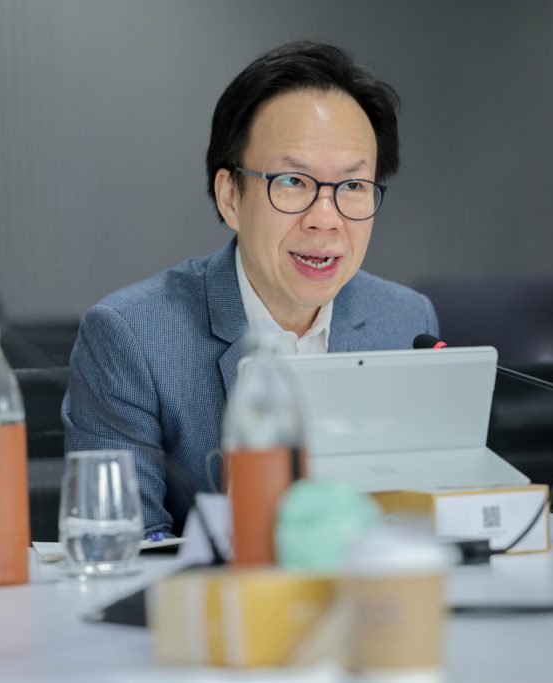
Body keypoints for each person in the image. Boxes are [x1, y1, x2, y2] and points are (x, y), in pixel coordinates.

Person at [62, 41, 439, 537]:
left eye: (352, 186)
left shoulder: (408, 325)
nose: (326, 219)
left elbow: (433, 519)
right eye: (293, 181)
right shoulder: (131, 337)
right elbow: (123, 546)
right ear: (230, 196)